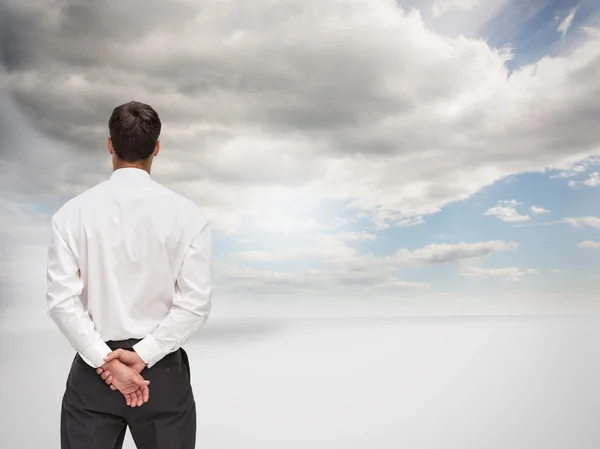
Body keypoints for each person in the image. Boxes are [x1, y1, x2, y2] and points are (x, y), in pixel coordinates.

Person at [46, 100, 212, 449]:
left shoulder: (70, 214)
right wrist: (143, 356)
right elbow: (195, 305)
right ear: (157, 148)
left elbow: (62, 301)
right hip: (161, 377)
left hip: (95, 377)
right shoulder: (188, 215)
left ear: (110, 145)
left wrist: (105, 361)